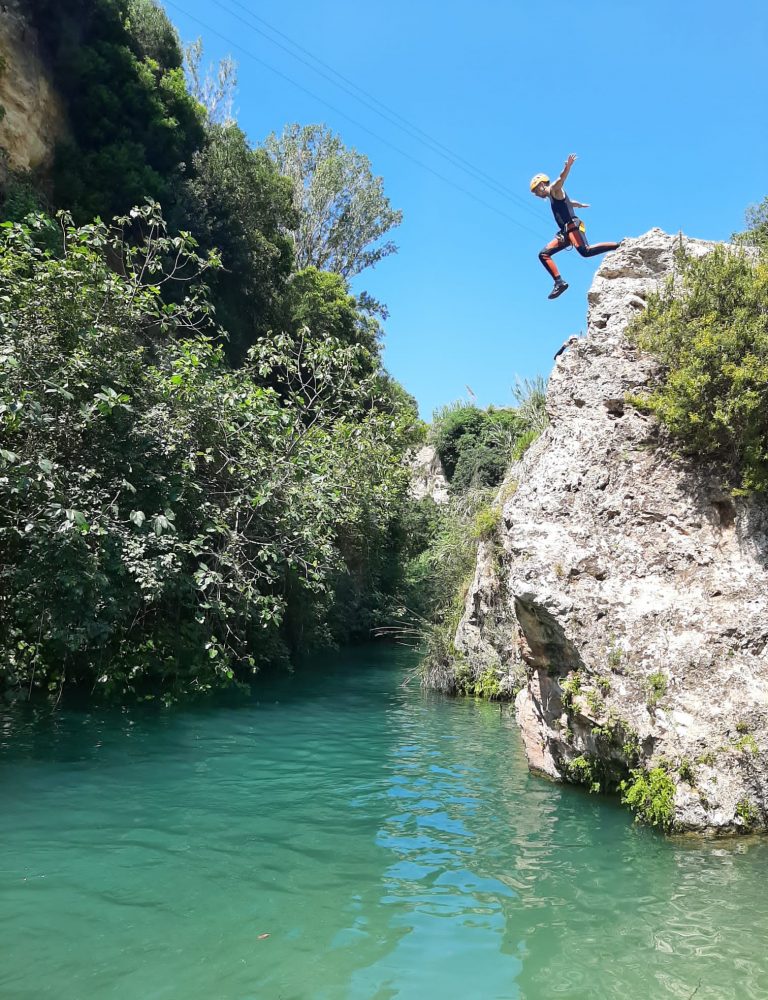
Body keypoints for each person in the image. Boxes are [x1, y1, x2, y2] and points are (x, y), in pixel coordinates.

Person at [530, 154, 620, 299]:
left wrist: (567, 167)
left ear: (541, 185)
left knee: (586, 251)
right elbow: (568, 202)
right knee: (543, 254)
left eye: (535, 191)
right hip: (565, 232)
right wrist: (578, 204)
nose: (536, 195)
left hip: (572, 227)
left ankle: (618, 245)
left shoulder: (554, 189)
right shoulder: (553, 197)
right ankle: (559, 283)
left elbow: (560, 180)